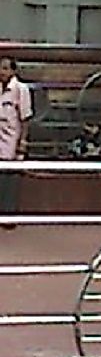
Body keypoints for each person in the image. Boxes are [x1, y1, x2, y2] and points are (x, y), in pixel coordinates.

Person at [0, 56, 33, 230]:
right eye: (0, 68)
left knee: (10, 182)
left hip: (12, 140)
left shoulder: (21, 89)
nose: (2, 72)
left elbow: (25, 118)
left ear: (13, 71)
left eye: (6, 68)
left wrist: (23, 142)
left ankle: (8, 217)